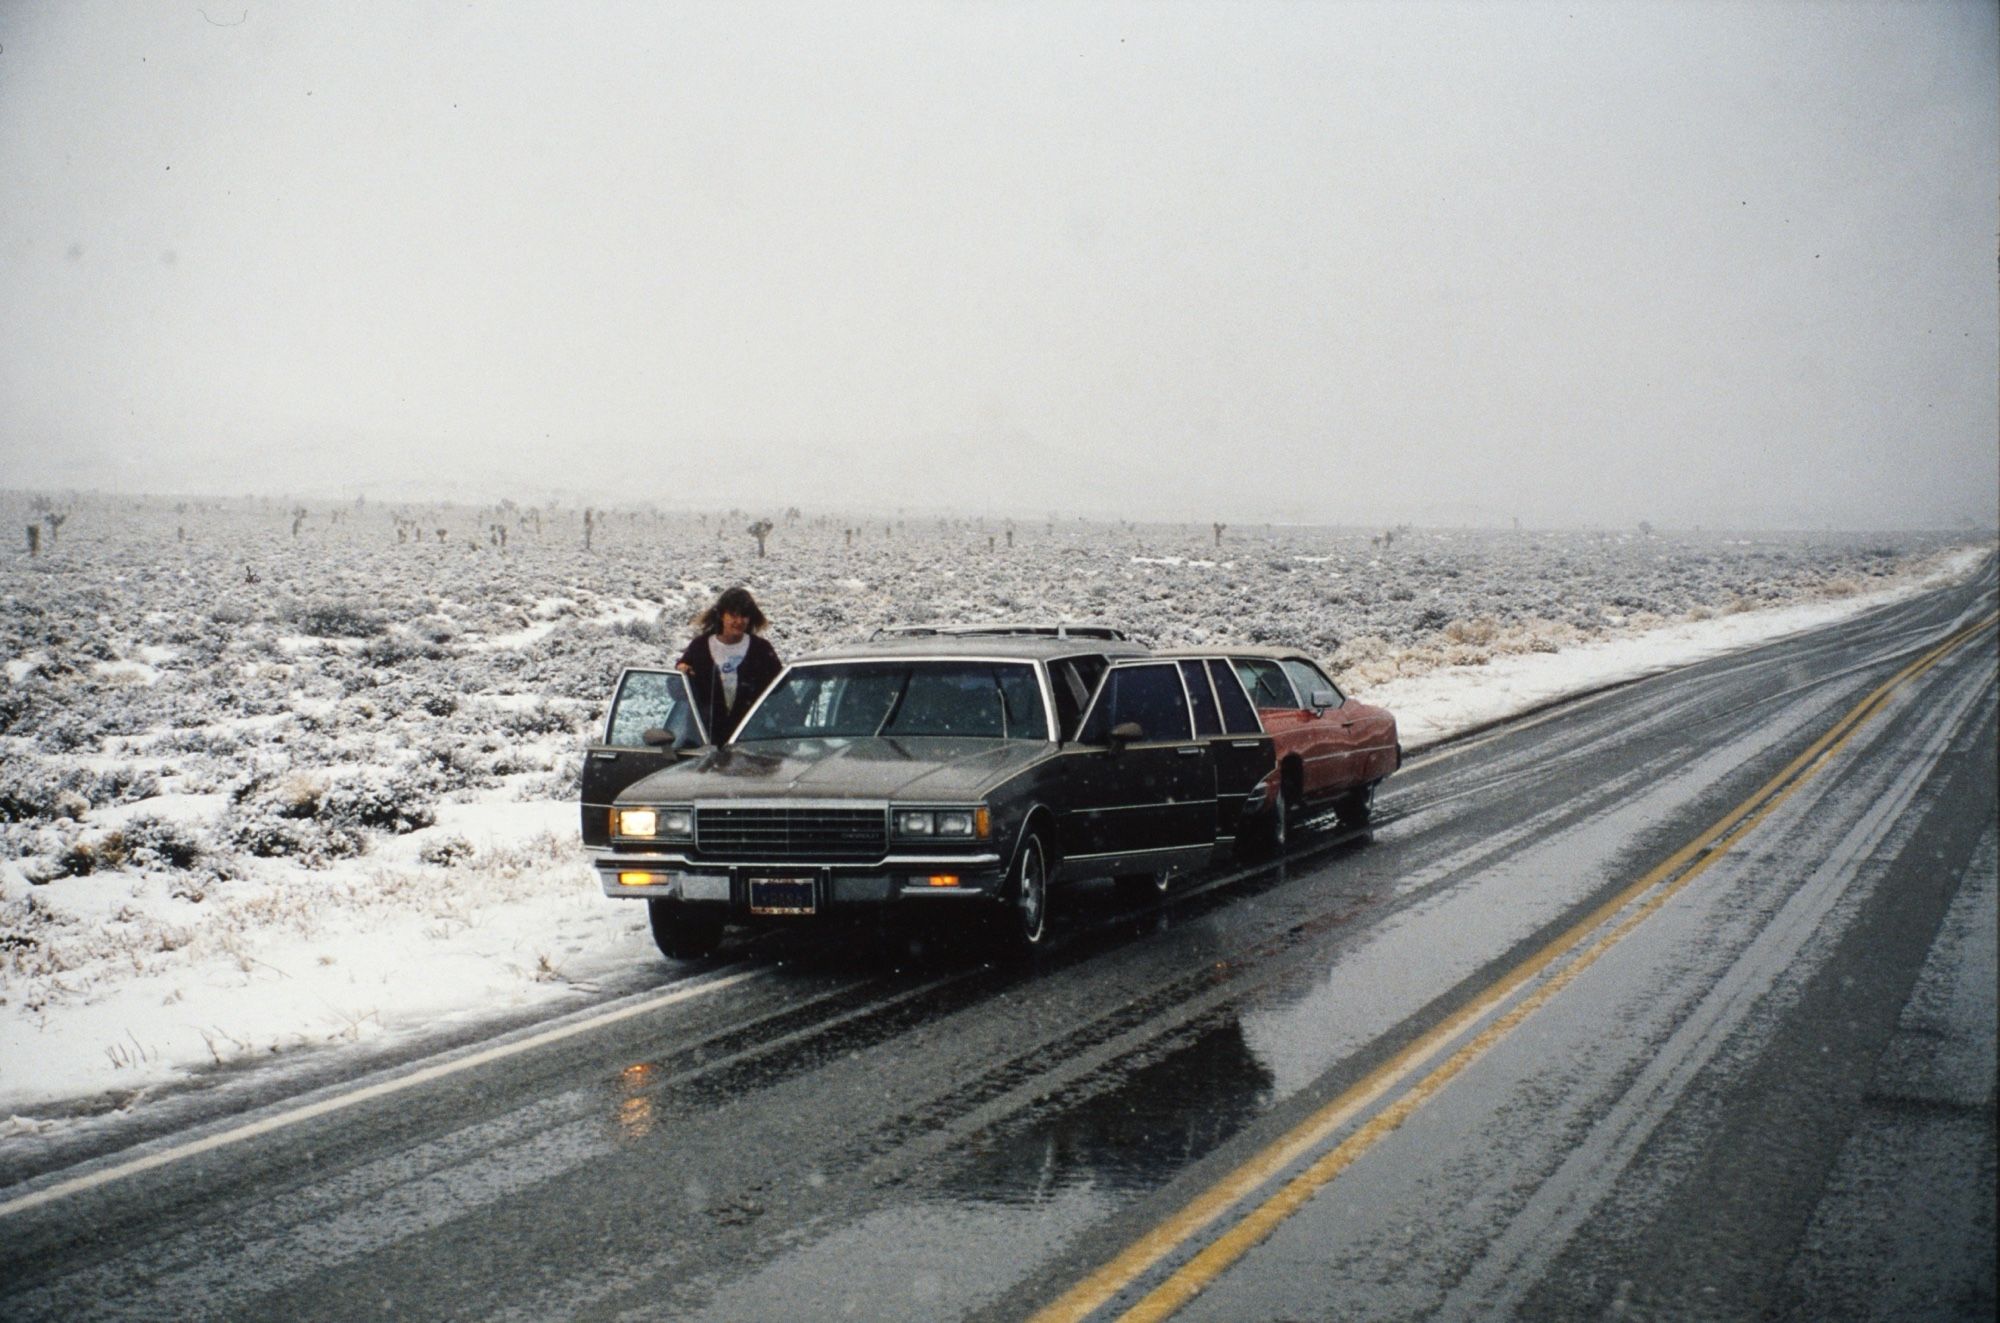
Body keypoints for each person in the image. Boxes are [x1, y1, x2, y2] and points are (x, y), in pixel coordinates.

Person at [677, 586, 782, 740]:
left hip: (751, 742)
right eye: (733, 615)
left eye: (744, 615)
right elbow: (678, 691)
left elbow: (780, 693)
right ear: (721, 615)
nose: (739, 621)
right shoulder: (699, 647)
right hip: (704, 742)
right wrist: (682, 673)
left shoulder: (761, 650)